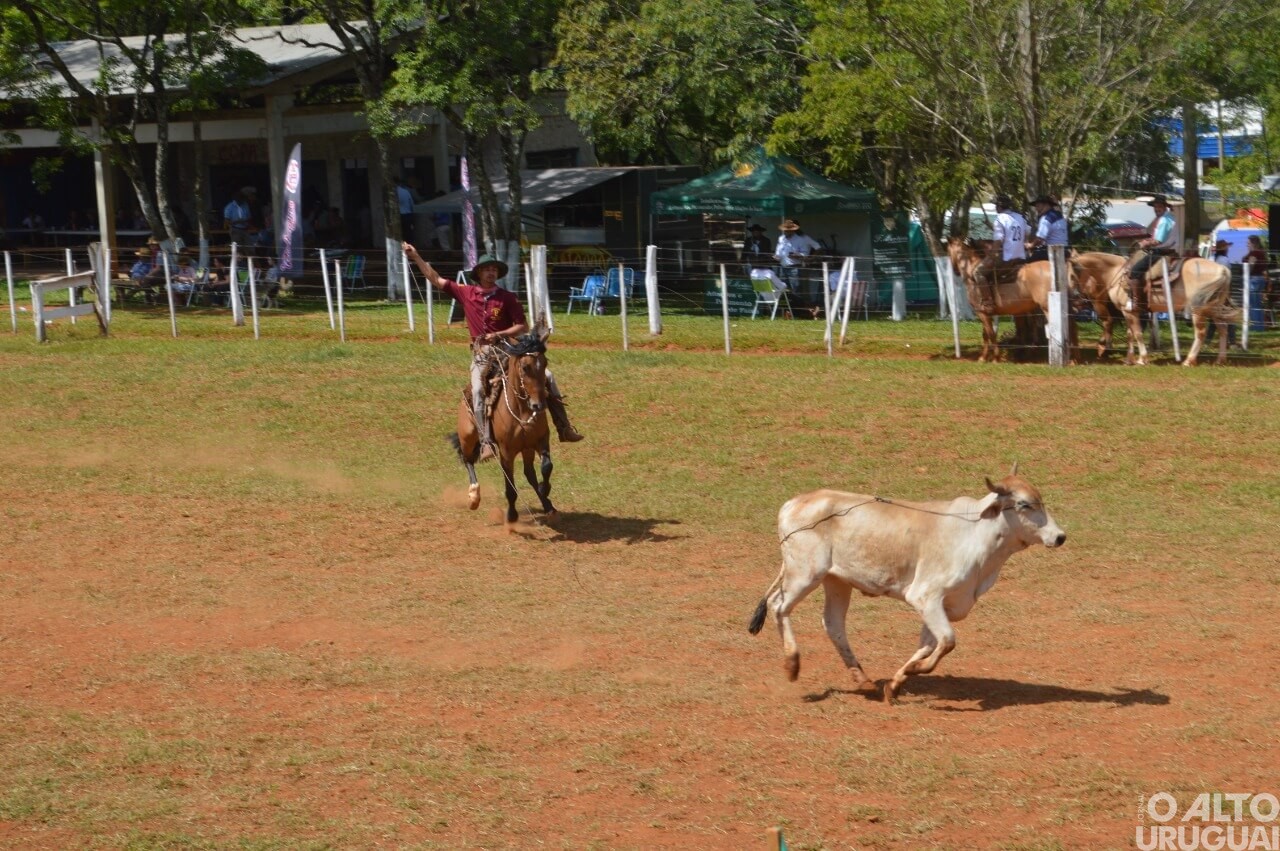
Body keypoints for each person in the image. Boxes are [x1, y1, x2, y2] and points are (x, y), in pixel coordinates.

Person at [403, 243, 584, 462]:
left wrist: (500, 334)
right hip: (482, 353)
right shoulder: (465, 292)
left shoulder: (507, 297)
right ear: (478, 272)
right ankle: (486, 440)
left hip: (509, 348)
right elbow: (435, 278)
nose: (491, 272)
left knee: (547, 376)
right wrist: (416, 256)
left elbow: (522, 327)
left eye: (494, 269)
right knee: (478, 389)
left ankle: (563, 427)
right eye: (487, 269)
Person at [974, 195, 1028, 311]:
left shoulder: (1000, 219)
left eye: (996, 206)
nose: (995, 208)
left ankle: (988, 303)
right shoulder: (1020, 217)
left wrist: (991, 257)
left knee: (978, 273)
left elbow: (998, 242)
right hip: (1021, 257)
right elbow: (1028, 232)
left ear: (999, 207)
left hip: (1007, 258)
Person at [1126, 194, 1177, 315]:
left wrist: (1145, 243)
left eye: (1159, 206)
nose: (1156, 209)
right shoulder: (1170, 217)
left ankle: (1137, 303)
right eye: (1155, 206)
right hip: (1167, 250)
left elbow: (1158, 241)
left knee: (1135, 270)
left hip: (1160, 252)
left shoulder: (1164, 220)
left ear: (1164, 207)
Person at [774, 219, 821, 304]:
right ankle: (787, 309)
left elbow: (808, 252)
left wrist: (804, 257)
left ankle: (798, 309)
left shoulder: (802, 239)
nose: (786, 232)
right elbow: (778, 251)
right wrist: (776, 256)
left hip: (794, 267)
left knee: (796, 289)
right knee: (783, 288)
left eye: (788, 230)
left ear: (793, 230)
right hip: (782, 266)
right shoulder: (781, 239)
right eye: (785, 230)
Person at [1027, 195, 1067, 262]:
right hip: (1065, 249)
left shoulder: (1046, 218)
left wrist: (1030, 245)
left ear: (1046, 205)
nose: (1036, 209)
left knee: (1027, 264)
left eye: (1038, 206)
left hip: (1052, 251)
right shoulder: (1060, 216)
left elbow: (1040, 239)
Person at [396, 177, 416, 242]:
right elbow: (412, 204)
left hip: (398, 215)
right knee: (408, 233)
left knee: (399, 233)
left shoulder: (393, 192)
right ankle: (409, 246)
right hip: (408, 215)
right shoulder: (406, 192)